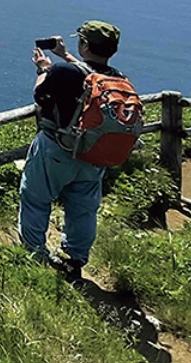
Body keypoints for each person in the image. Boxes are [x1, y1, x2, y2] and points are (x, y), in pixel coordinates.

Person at [18, 20, 124, 281]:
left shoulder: (63, 72)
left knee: (36, 199)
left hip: (57, 149)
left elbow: (40, 95)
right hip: (93, 154)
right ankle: (73, 261)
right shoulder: (116, 79)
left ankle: (34, 255)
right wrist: (64, 54)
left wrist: (44, 69)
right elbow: (89, 74)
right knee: (83, 210)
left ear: (85, 44)